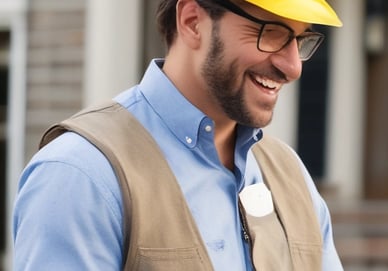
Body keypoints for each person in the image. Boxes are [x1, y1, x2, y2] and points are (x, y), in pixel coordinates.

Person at [13, 0, 344, 270]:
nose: (293, 67)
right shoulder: (82, 175)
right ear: (192, 22)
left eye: (300, 40)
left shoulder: (291, 174)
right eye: (271, 33)